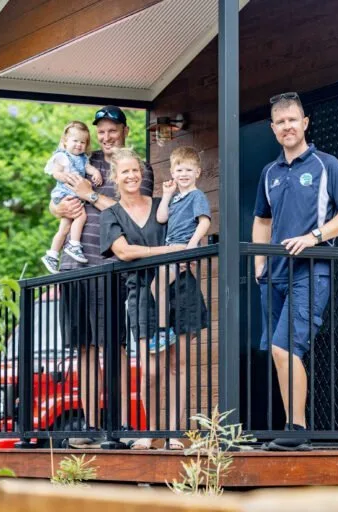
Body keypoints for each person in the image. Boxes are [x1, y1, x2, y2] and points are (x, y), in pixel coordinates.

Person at [252, 91, 338, 451]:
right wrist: (259, 264)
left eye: (292, 120)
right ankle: (292, 427)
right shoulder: (269, 173)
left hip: (311, 272)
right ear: (273, 128)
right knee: (278, 351)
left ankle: (296, 428)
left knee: (285, 349)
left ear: (305, 123)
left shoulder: (326, 165)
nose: (287, 127)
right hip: (275, 275)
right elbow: (261, 219)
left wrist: (315, 237)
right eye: (280, 122)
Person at [50, 106, 153, 447]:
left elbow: (134, 211)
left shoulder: (137, 167)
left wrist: (89, 195)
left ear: (125, 131)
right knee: (83, 349)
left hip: (110, 267)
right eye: (102, 131)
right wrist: (57, 207)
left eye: (113, 130)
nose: (107, 137)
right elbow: (58, 194)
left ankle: (121, 425)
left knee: (115, 347)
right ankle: (91, 428)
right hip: (73, 266)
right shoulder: (82, 158)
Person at [100, 148, 207, 451]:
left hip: (181, 289)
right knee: (150, 369)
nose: (132, 176)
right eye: (125, 172)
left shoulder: (165, 203)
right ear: (115, 178)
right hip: (143, 296)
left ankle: (174, 433)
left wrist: (189, 251)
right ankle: (149, 432)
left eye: (136, 170)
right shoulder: (112, 214)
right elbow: (125, 252)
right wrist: (171, 252)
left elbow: (190, 229)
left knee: (179, 365)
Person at [150, 146, 211, 350]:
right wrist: (167, 194)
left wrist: (191, 247)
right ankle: (164, 329)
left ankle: (163, 331)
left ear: (197, 172)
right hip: (171, 249)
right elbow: (161, 217)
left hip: (182, 248)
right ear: (172, 173)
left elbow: (204, 223)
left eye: (188, 170)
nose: (183, 174)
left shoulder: (197, 196)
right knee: (158, 286)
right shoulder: (176, 199)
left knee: (157, 285)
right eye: (179, 170)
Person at [42, 121, 103, 271]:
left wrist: (95, 172)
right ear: (65, 141)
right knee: (81, 216)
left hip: (73, 194)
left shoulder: (82, 158)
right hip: (65, 193)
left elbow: (87, 168)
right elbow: (56, 172)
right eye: (75, 141)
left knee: (64, 227)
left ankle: (52, 254)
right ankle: (74, 244)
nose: (79, 145)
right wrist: (65, 177)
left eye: (83, 142)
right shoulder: (62, 156)